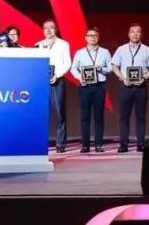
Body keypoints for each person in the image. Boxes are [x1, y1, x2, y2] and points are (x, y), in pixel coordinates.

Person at [111, 24, 149, 153]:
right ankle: (123, 144)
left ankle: (141, 143)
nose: (135, 34)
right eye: (132, 32)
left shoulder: (147, 50)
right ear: (128, 34)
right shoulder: (121, 49)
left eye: (138, 32)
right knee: (124, 117)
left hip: (141, 87)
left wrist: (144, 77)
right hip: (125, 87)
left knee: (140, 117)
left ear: (141, 34)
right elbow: (114, 66)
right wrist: (122, 77)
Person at [70, 27, 112, 153]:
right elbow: (73, 69)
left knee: (99, 117)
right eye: (90, 35)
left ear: (98, 37)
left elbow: (110, 69)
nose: (92, 37)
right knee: (85, 117)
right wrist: (80, 78)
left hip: (99, 86)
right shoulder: (80, 53)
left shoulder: (105, 52)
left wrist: (101, 69)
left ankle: (99, 144)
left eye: (95, 35)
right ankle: (85, 145)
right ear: (86, 38)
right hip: (85, 87)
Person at [35, 20, 72, 153]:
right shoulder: (38, 45)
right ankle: (39, 142)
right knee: (39, 113)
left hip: (57, 80)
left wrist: (57, 75)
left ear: (56, 29)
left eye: (51, 27)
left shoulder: (63, 44)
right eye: (46, 28)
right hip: (41, 82)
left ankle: (60, 143)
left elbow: (67, 63)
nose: (48, 30)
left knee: (60, 113)